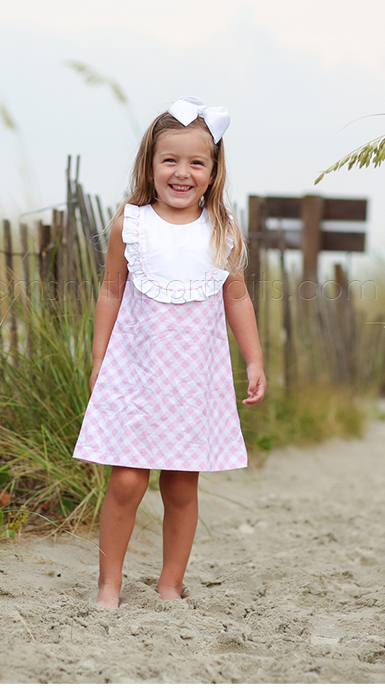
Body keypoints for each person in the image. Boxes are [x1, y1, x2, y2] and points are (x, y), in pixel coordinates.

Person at [73, 96, 266, 609]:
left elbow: (238, 297)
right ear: (151, 165)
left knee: (181, 487)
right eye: (170, 160)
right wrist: (98, 359)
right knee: (127, 482)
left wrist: (254, 360)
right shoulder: (131, 225)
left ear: (213, 171)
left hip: (192, 386)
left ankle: (169, 584)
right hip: (135, 378)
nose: (182, 172)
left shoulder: (222, 231)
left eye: (196, 162)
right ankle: (109, 584)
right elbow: (111, 291)